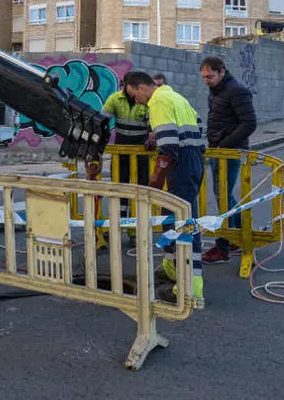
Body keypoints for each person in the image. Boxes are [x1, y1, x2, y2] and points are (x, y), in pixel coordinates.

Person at [124, 72, 206, 303]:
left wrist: (155, 180)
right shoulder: (177, 97)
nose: (136, 102)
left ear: (140, 87)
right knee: (173, 217)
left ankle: (190, 288)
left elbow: (169, 147)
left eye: (134, 96)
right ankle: (172, 269)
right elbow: (199, 125)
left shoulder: (158, 102)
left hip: (181, 162)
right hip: (193, 158)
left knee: (184, 223)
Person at [199, 56, 257, 264]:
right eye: (204, 77)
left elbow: (249, 123)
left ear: (222, 71)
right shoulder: (217, 90)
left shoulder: (236, 90)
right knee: (225, 196)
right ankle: (240, 237)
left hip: (229, 153)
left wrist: (225, 146)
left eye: (210, 76)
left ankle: (223, 247)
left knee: (223, 197)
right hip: (218, 150)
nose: (207, 81)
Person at [86, 73, 152, 241]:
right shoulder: (115, 99)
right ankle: (119, 226)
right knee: (120, 192)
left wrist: (152, 136)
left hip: (141, 154)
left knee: (141, 192)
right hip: (120, 153)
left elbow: (153, 125)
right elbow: (102, 121)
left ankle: (136, 231)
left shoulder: (147, 101)